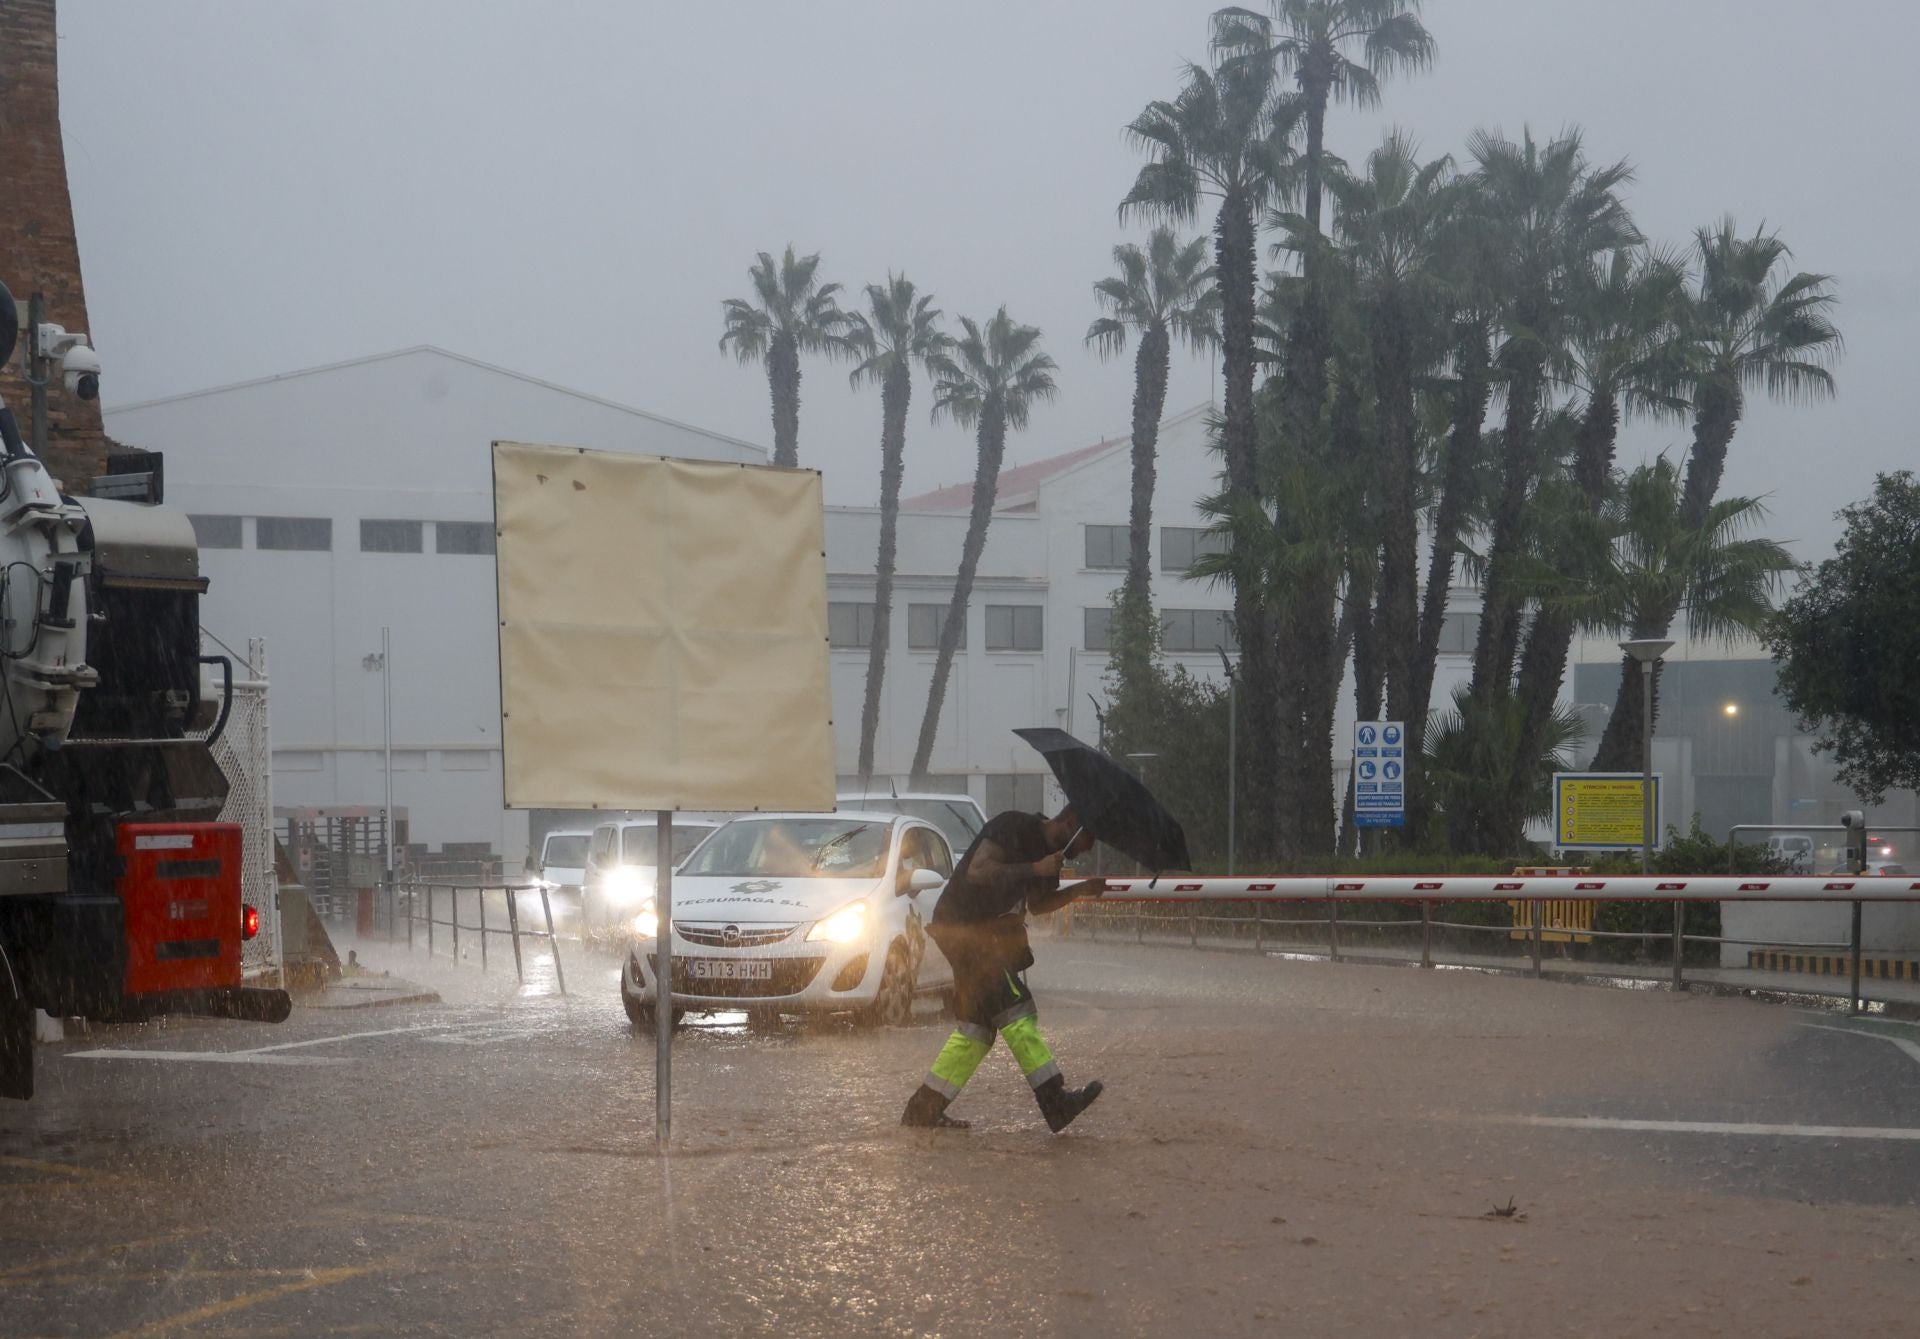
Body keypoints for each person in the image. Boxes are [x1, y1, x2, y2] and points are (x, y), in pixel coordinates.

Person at [901, 804, 1105, 1132]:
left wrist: (1078, 891)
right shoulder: (1013, 825)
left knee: (977, 1031)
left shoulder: (1052, 857)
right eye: (1090, 838)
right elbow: (978, 871)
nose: (1091, 848)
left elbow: (1038, 905)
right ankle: (1056, 1105)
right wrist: (1034, 868)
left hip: (975, 935)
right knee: (1017, 1010)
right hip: (961, 929)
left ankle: (922, 1112)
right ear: (1071, 823)